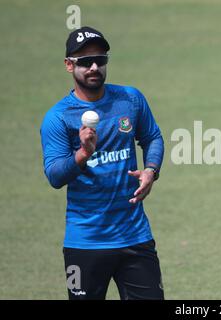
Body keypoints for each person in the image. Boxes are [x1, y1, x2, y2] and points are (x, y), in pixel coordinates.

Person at [40, 26, 164, 300]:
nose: (94, 67)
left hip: (135, 238)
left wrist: (151, 171)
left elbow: (152, 137)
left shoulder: (130, 99)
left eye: (101, 59)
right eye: (85, 62)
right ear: (68, 65)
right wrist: (83, 154)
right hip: (84, 243)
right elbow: (55, 176)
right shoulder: (58, 118)